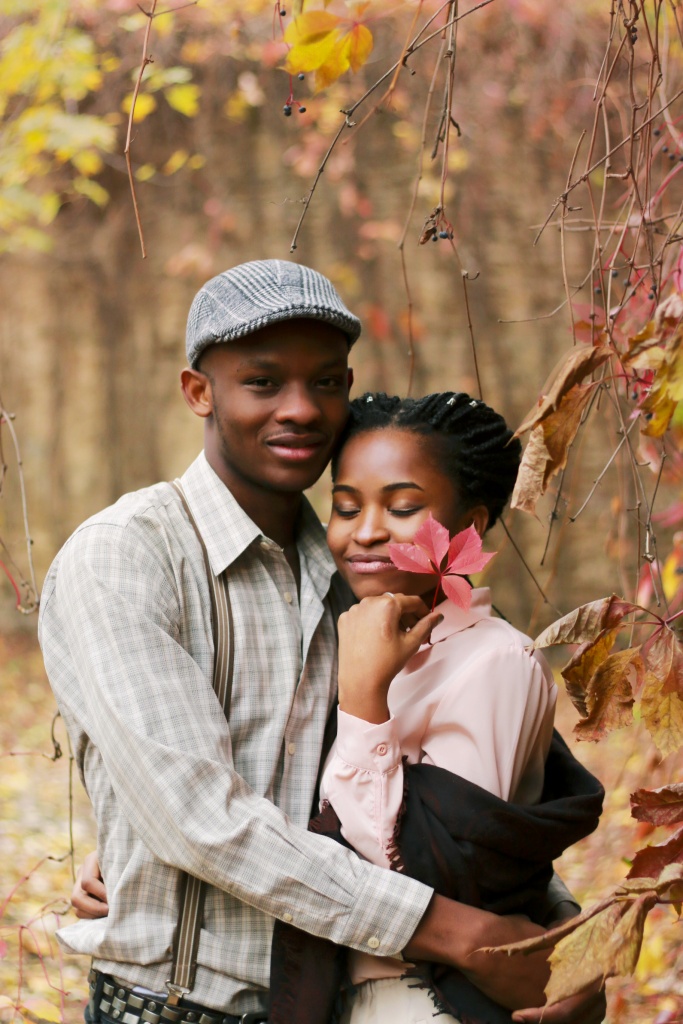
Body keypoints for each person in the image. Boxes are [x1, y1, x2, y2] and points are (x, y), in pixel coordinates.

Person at [44, 259, 605, 1024]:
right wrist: (463, 936)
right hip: (180, 1008)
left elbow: (469, 801)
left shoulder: (364, 582)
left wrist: (557, 942)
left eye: (327, 383)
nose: (302, 409)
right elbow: (199, 820)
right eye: (262, 382)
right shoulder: (127, 556)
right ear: (199, 391)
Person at [267, 392, 603, 1024]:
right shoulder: (345, 640)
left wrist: (364, 704)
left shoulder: (496, 662)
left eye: (402, 508)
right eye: (346, 507)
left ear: (468, 526)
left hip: (429, 1000)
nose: (365, 530)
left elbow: (442, 881)